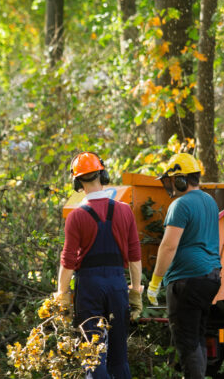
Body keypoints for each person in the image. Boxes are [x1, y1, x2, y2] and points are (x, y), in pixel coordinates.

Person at [55, 152, 143, 379]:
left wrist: (61, 293)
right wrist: (135, 290)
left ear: (77, 182)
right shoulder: (125, 211)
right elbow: (134, 256)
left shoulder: (76, 217)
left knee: (93, 355)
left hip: (89, 288)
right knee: (119, 358)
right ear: (103, 174)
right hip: (117, 285)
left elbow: (68, 261)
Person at [146, 153, 222, 378]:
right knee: (197, 336)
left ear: (181, 180)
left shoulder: (180, 204)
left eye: (171, 180)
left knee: (186, 342)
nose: (169, 185)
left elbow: (168, 247)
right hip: (211, 277)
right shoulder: (210, 201)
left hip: (187, 280)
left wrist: (155, 283)